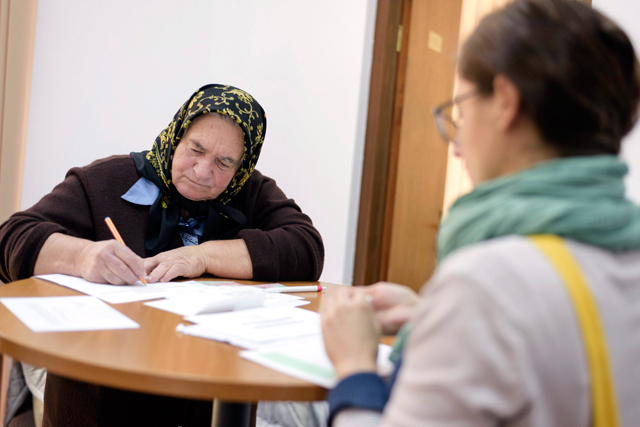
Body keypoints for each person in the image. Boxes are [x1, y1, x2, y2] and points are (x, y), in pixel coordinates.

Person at [321, 0, 640, 426]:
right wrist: (433, 320)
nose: (455, 144)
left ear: (505, 101)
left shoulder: (485, 284)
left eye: (462, 110)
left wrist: (354, 366)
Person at [0, 84, 324, 426]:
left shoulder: (250, 191)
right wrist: (82, 256)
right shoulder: (106, 181)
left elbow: (305, 247)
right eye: (195, 149)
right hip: (100, 400)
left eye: (224, 162)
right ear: (177, 134)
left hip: (211, 398)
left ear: (243, 166)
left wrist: (203, 256)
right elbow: (11, 238)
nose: (202, 171)